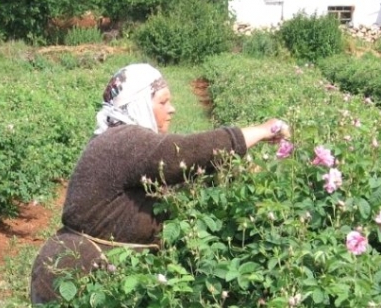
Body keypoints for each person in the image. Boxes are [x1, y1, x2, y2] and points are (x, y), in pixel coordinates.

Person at [30, 63, 289, 304]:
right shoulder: (122, 141)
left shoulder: (116, 139)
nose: (172, 109)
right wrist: (263, 130)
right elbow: (183, 153)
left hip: (91, 275)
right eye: (163, 101)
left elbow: (178, 183)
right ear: (139, 104)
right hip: (81, 280)